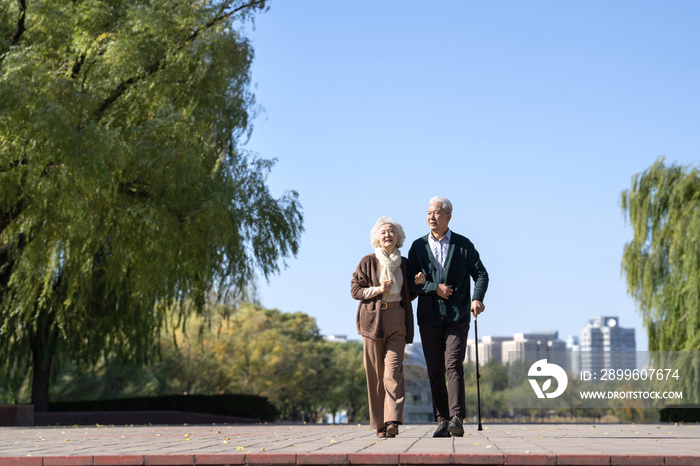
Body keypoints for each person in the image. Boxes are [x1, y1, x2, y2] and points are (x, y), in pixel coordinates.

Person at [408, 196, 489, 438]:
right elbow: (413, 283)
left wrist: (477, 298)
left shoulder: (463, 245)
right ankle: (442, 421)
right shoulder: (418, 247)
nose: (432, 217)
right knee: (434, 370)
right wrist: (434, 288)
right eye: (429, 213)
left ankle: (456, 418)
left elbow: (481, 274)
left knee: (453, 365)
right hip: (429, 317)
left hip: (457, 316)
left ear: (448, 217)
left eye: (437, 213)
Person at [351, 216, 416, 438]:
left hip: (398, 317)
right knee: (375, 374)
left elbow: (410, 294)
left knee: (393, 371)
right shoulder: (367, 262)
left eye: (391, 231)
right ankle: (379, 424)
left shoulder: (405, 263)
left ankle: (392, 421)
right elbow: (355, 291)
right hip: (372, 321)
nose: (387, 234)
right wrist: (378, 289)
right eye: (383, 232)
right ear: (377, 238)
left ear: (398, 237)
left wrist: (417, 281)